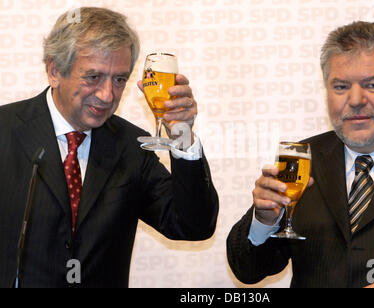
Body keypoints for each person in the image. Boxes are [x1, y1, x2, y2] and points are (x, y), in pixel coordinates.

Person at [0, 7, 219, 288]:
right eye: (93, 77)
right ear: (55, 71)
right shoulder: (5, 131)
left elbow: (193, 225)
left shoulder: (131, 147)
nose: (107, 95)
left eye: (119, 80)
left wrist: (182, 137)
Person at [227, 21, 374, 288]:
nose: (355, 100)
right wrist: (265, 220)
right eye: (341, 87)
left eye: (372, 84)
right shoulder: (302, 160)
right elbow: (247, 269)